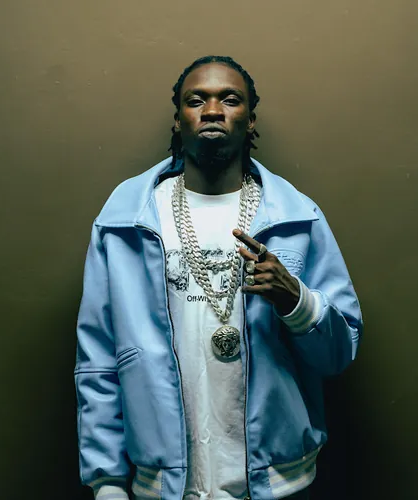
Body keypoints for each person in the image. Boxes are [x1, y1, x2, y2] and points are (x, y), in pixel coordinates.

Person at [74, 55, 363, 500]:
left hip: (277, 483)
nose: (212, 110)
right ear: (178, 120)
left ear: (250, 120)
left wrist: (296, 301)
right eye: (196, 100)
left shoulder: (296, 219)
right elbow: (98, 360)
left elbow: (339, 355)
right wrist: (108, 483)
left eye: (229, 99)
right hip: (162, 484)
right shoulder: (125, 222)